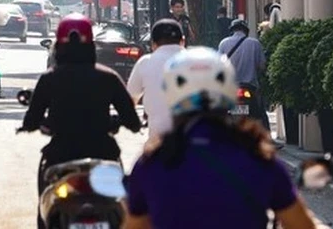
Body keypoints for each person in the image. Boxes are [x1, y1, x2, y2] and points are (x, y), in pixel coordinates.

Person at [123, 47, 317, 229]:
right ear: (230, 90)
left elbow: (134, 225)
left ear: (170, 95)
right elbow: (301, 224)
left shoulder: (151, 164)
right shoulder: (259, 158)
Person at [19, 14, 141, 229]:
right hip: (104, 153)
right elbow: (132, 120)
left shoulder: (49, 78)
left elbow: (32, 119)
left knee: (44, 211)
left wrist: (33, 125)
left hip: (60, 155)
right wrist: (117, 122)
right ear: (91, 45)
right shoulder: (108, 77)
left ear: (58, 45)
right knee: (123, 207)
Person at [127, 19, 186, 139]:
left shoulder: (145, 62)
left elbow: (131, 98)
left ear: (153, 44)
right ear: (183, 41)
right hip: (196, 140)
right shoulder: (195, 61)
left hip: (158, 141)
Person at [219, 19, 269, 130]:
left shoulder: (223, 43)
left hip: (230, 87)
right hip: (250, 86)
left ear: (232, 30)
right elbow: (262, 65)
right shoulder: (255, 43)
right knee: (260, 114)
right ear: (246, 30)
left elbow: (219, 66)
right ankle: (268, 139)